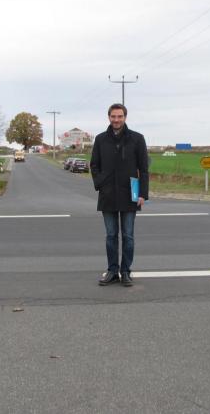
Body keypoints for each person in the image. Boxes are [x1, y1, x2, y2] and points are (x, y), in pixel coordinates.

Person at [90, 103, 149, 287]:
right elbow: (94, 165)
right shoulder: (100, 139)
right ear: (109, 117)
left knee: (128, 236)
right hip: (107, 195)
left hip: (129, 194)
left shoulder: (137, 139)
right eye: (113, 116)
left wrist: (142, 194)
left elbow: (144, 169)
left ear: (125, 117)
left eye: (120, 116)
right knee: (111, 236)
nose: (116, 120)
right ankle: (112, 270)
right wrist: (100, 183)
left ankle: (125, 271)